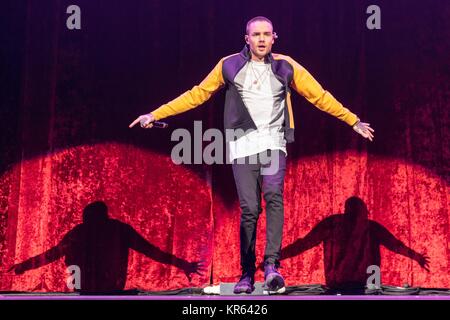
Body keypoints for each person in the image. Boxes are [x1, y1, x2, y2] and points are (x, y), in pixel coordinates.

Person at [129, 16, 374, 294]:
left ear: (273, 38)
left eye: (266, 34)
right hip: (242, 145)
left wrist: (352, 119)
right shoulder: (229, 65)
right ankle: (246, 272)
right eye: (255, 34)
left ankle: (271, 266)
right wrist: (155, 113)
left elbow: (319, 95)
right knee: (249, 210)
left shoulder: (286, 66)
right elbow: (197, 94)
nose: (261, 39)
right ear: (247, 38)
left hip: (273, 142)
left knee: (273, 195)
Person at [279, 196, 430, 294]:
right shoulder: (361, 226)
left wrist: (276, 257)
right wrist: (416, 257)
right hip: (355, 286)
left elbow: (303, 244)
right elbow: (395, 245)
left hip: (348, 286)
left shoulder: (337, 224)